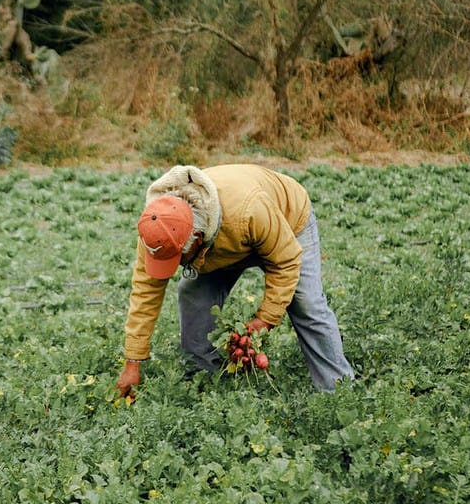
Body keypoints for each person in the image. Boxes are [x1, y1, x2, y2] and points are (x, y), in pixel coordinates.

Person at [115, 164, 354, 396]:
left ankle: (338, 389)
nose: (175, 265)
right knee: (193, 295)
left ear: (197, 238)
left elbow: (286, 262)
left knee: (306, 303)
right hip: (224, 239)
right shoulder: (159, 230)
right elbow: (145, 293)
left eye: (178, 258)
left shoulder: (249, 209)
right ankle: (204, 380)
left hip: (286, 221)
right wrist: (132, 362)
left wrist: (265, 319)